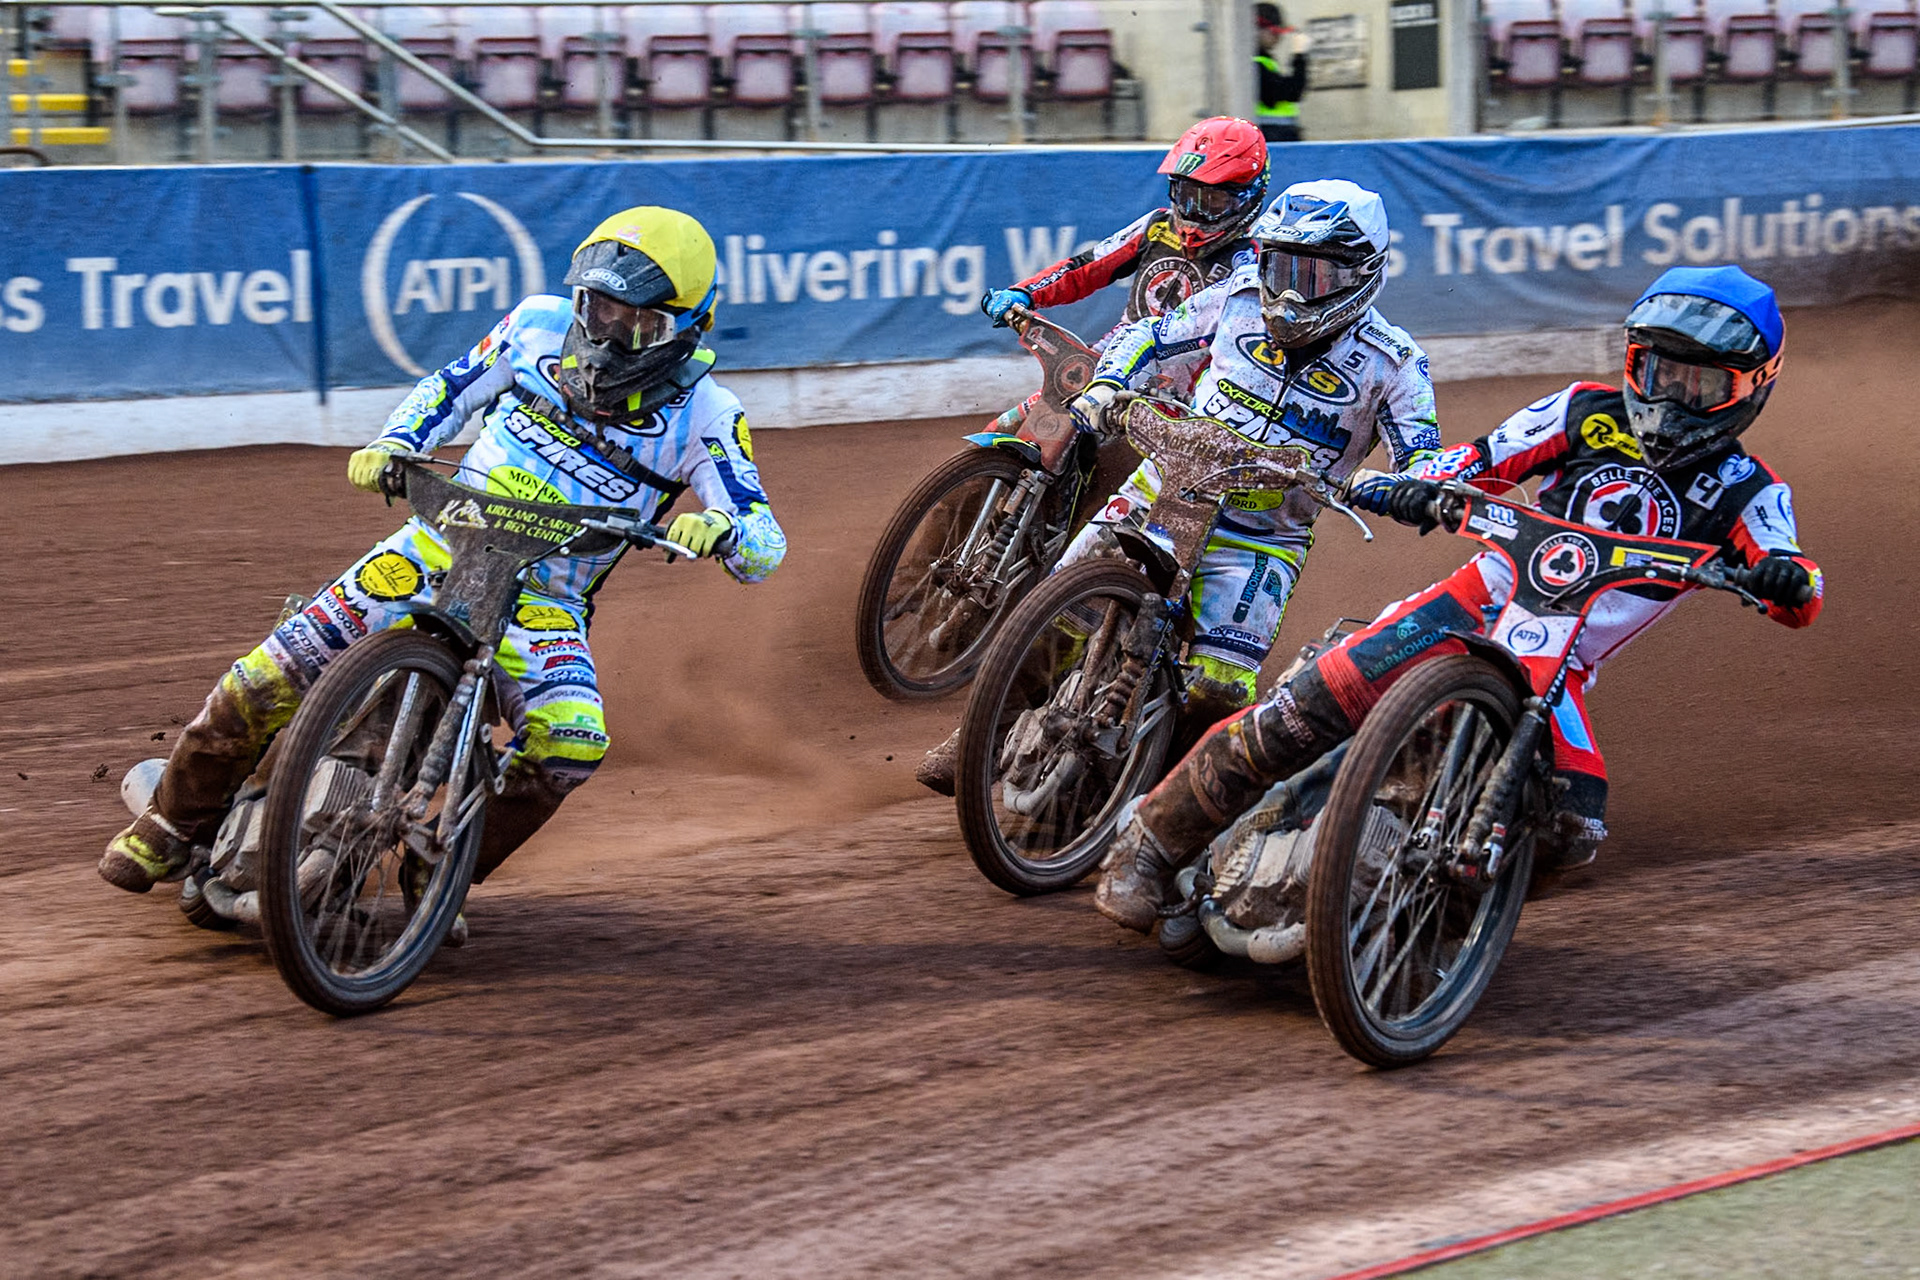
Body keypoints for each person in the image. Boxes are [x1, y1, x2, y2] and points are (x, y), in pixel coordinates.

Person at [1094, 264, 1822, 932]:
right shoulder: (1582, 411)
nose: (1672, 396)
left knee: (1573, 827)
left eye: (1701, 384)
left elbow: (1796, 581)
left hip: (1561, 667)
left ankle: (1419, 925)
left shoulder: (1750, 491)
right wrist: (1413, 485)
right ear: (1633, 363)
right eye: (1659, 372)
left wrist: (1786, 580)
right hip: (1474, 601)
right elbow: (1480, 459)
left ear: (1752, 387)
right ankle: (1150, 844)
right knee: (1309, 705)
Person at [100, 206, 787, 912]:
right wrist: (396, 442)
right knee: (268, 672)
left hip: (543, 601)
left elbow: (762, 534)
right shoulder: (535, 326)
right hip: (434, 546)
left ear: (690, 327)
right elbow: (451, 387)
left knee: (572, 745)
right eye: (598, 307)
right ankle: (169, 826)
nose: (610, 332)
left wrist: (724, 530)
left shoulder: (708, 413)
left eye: (638, 321)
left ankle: (449, 870)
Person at [918, 178, 1439, 794]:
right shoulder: (1238, 295)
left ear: (1362, 274)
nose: (1288, 291)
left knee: (1221, 689)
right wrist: (1108, 385)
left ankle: (1148, 800)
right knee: (1057, 613)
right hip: (1163, 487)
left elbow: (1424, 458)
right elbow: (1149, 334)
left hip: (1261, 538)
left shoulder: (1394, 364)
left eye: (1312, 274)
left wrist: (1406, 488)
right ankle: (980, 736)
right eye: (1279, 266)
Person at [1254, 4, 1310, 144]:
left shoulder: (1265, 60)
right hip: (1270, 134)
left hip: (1276, 133)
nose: (1278, 37)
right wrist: (1299, 56)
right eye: (1273, 32)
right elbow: (1291, 92)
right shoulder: (1253, 64)